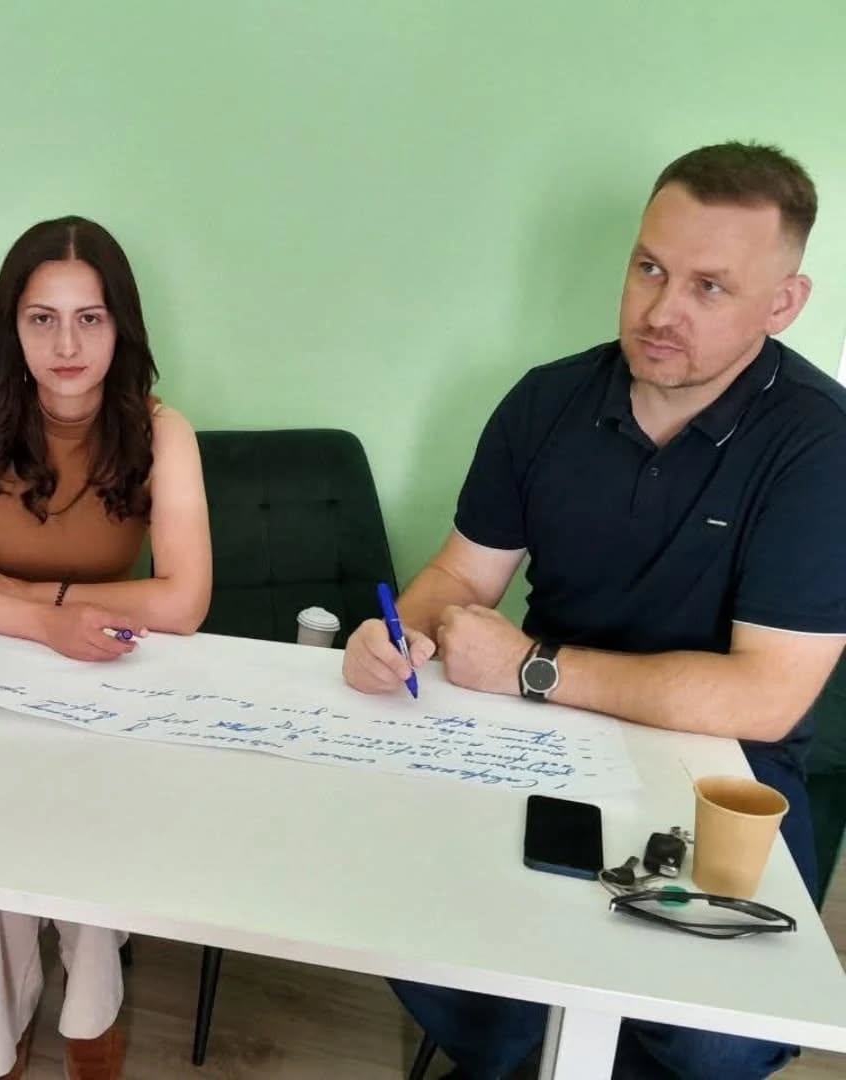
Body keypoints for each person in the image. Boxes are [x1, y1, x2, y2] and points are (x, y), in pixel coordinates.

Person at [345, 141, 846, 1079]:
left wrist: (533, 668)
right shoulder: (547, 400)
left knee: (722, 1042)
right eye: (649, 268)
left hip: (721, 774)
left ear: (783, 304)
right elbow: (459, 576)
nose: (660, 311)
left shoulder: (821, 445)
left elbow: (764, 698)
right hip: (534, 741)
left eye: (708, 287)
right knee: (407, 924)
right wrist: (398, 631)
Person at [0, 215, 212, 1079]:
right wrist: (36, 622)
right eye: (42, 319)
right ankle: (15, 1030)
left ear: (120, 325)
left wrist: (24, 593)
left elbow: (185, 601)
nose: (66, 346)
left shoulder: (162, 431)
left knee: (87, 818)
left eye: (89, 319)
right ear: (13, 326)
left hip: (109, 666)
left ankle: (85, 1016)